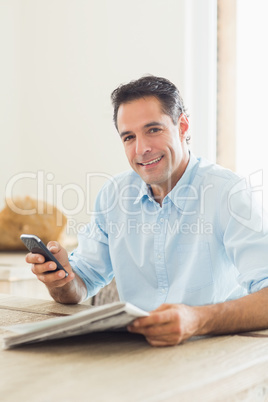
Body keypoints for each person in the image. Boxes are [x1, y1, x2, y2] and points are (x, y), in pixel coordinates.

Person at [26, 75, 268, 347]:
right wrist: (61, 280)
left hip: (211, 352)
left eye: (153, 130)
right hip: (136, 351)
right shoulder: (113, 195)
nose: (141, 149)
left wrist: (197, 319)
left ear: (182, 126)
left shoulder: (228, 192)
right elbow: (81, 285)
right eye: (129, 137)